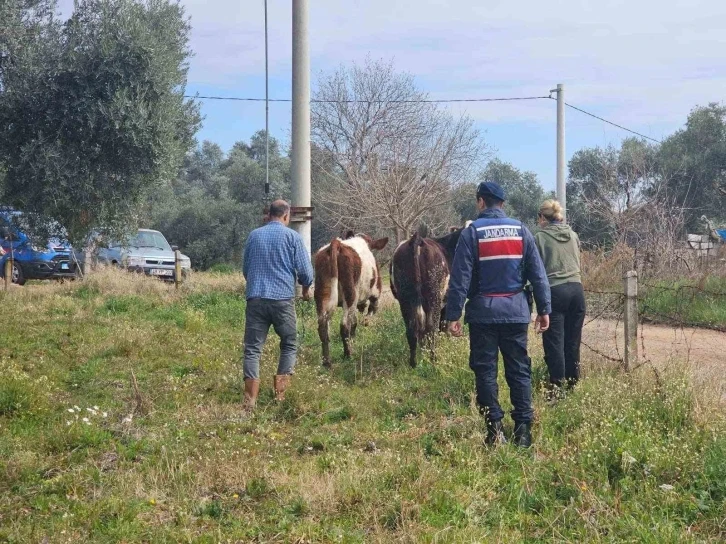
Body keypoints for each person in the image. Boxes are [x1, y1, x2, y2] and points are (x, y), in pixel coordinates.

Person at [445, 182, 551, 447]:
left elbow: (460, 278)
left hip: (483, 315)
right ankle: (523, 432)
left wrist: (453, 314)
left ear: (481, 202)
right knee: (519, 370)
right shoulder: (521, 230)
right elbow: (537, 274)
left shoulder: (471, 234)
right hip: (516, 313)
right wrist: (544, 309)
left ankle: (494, 431)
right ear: (502, 203)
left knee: (485, 372)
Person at [242, 199, 314, 412]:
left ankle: (250, 400)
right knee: (289, 342)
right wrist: (305, 288)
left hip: (255, 299)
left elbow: (246, 269)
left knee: (253, 349)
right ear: (286, 215)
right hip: (282, 300)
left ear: (269, 214)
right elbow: (306, 273)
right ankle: (280, 396)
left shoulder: (254, 236)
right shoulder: (293, 237)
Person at [534, 199, 586, 394]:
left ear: (542, 218)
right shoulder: (573, 235)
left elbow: (537, 271)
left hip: (555, 291)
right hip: (577, 290)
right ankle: (573, 384)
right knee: (572, 341)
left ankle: (557, 388)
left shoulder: (539, 237)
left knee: (554, 343)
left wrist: (539, 305)